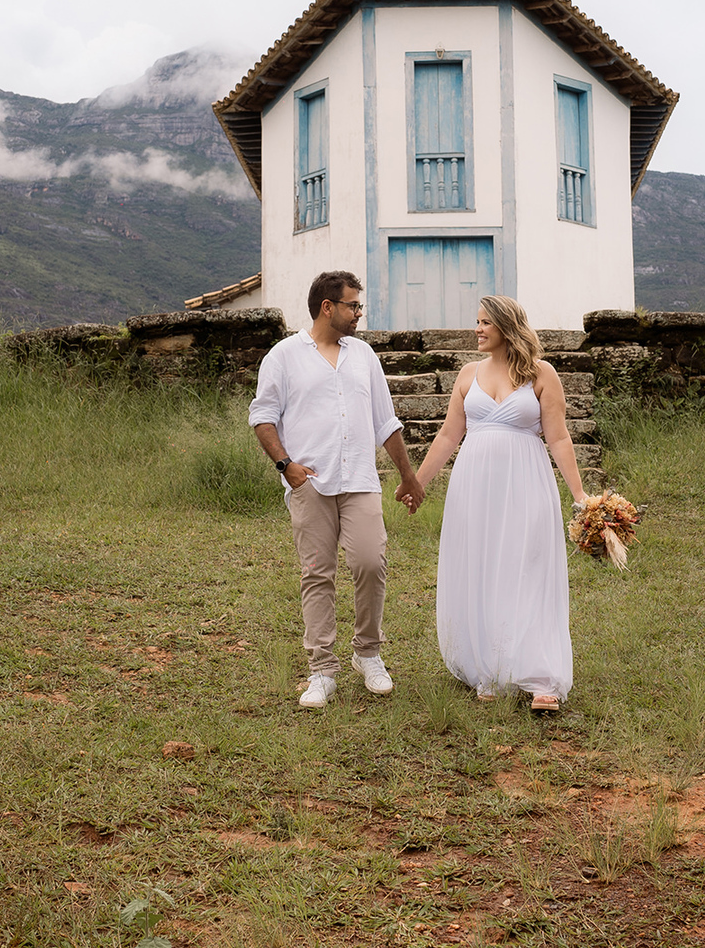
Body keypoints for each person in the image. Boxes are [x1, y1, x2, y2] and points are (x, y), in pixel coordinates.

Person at [249, 270, 425, 709]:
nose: (359, 313)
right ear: (327, 307)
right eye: (353, 305)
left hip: (360, 479)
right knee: (317, 572)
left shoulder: (364, 355)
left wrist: (408, 475)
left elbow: (385, 421)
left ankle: (368, 653)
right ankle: (322, 670)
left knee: (370, 562)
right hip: (310, 481)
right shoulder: (284, 355)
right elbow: (263, 415)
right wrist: (284, 464)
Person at [411, 294, 586, 712]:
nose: (477, 329)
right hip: (475, 486)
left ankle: (541, 676)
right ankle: (490, 667)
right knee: (483, 566)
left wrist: (579, 495)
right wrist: (417, 482)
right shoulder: (467, 375)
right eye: (477, 322)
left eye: (486, 323)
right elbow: (449, 435)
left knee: (528, 565)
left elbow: (558, 437)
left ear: (507, 327)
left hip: (526, 481)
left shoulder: (540, 373)